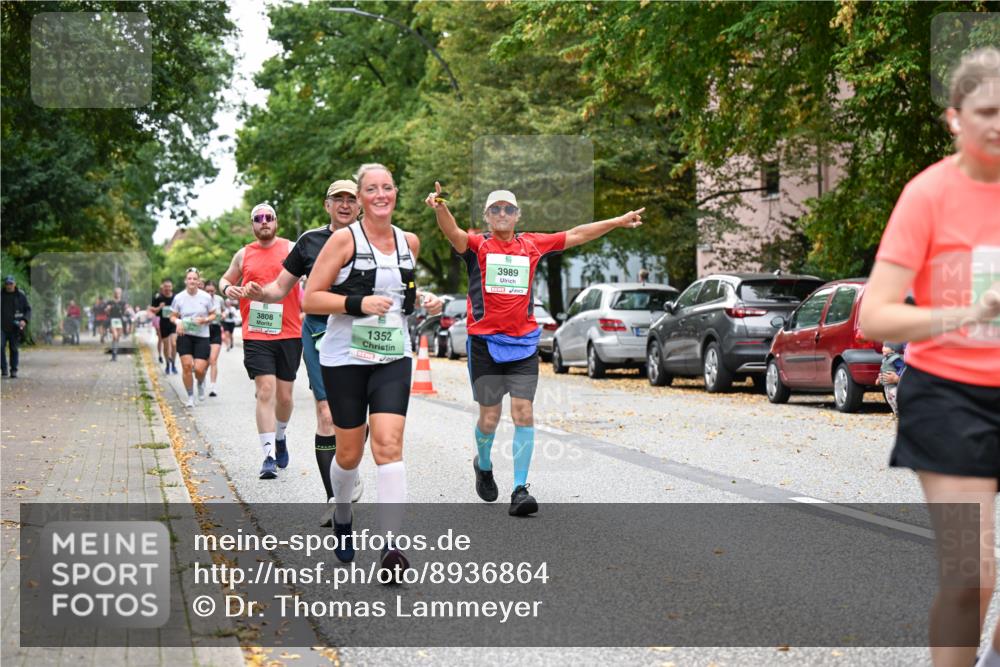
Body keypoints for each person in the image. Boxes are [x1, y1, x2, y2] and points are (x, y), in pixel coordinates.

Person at [858, 48, 1000, 667]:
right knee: (974, 574)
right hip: (949, 395)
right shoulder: (928, 196)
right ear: (954, 118)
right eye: (987, 111)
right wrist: (963, 316)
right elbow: (874, 315)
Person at [426, 181, 644, 516]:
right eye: (495, 209)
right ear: (486, 216)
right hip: (484, 343)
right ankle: (483, 464)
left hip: (524, 343)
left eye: (508, 209)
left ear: (517, 215)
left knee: (524, 413)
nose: (502, 213)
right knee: (489, 417)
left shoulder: (531, 245)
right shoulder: (476, 246)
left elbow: (577, 234)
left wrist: (616, 221)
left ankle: (520, 489)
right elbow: (452, 231)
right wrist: (441, 206)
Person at [304, 163, 439, 578]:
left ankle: (391, 547)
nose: (381, 195)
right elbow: (310, 299)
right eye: (372, 189)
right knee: (349, 452)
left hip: (391, 355)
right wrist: (356, 304)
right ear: (360, 198)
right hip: (344, 358)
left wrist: (425, 300)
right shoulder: (344, 241)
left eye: (388, 188)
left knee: (388, 444)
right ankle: (342, 513)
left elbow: (402, 297)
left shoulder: (409, 242)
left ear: (395, 194)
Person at [244, 179, 372, 512]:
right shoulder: (309, 242)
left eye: (350, 199)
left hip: (363, 334)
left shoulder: (375, 238)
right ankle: (334, 499)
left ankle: (348, 471)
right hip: (320, 333)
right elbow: (280, 288)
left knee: (357, 418)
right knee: (327, 414)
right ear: (326, 205)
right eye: (337, 199)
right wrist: (262, 293)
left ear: (359, 205)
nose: (344, 204)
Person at [220, 203, 303, 481]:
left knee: (285, 397)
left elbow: (312, 276)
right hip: (256, 332)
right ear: (252, 224)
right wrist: (227, 288)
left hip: (290, 331)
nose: (264, 222)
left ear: (276, 222)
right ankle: (267, 455)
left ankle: (280, 436)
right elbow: (225, 280)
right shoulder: (243, 254)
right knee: (265, 391)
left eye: (269, 218)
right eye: (259, 218)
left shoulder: (293, 248)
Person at [170, 268, 216, 408]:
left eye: (194, 279)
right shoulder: (179, 297)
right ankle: (190, 397)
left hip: (202, 336)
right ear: (186, 281)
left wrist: (206, 319)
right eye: (189, 278)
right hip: (185, 336)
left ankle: (201, 383)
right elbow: (172, 316)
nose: (192, 281)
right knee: (187, 366)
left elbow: (214, 314)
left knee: (200, 369)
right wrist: (178, 322)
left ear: (198, 281)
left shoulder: (206, 297)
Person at [1, 276, 31, 378]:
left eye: (11, 284)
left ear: (15, 284)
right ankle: (4, 369)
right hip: (2, 328)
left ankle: (13, 370)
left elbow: (28, 309)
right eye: (7, 284)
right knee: (0, 347)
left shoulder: (21, 295)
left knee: (14, 349)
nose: (9, 286)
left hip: (15, 327)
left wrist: (24, 320)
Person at [151, 279, 178, 374]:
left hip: (174, 323)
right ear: (163, 287)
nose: (167, 288)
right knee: (166, 346)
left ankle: (174, 364)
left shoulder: (176, 297)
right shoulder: (158, 297)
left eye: (169, 287)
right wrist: (159, 307)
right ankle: (167, 364)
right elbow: (152, 311)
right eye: (166, 287)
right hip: (163, 323)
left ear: (172, 287)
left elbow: (181, 310)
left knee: (174, 343)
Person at [203, 280, 225, 397]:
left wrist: (224, 314)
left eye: (212, 291)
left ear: (215, 291)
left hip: (216, 329)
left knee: (213, 360)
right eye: (207, 291)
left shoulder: (219, 300)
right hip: (204, 331)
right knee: (205, 362)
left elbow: (224, 310)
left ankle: (213, 387)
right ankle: (201, 381)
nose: (210, 293)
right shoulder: (200, 299)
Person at [105, 287, 127, 361]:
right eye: (116, 292)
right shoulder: (110, 302)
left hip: (120, 320)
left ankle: (114, 353)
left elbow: (125, 312)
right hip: (112, 319)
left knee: (117, 338)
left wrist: (127, 310)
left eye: (119, 293)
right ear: (114, 293)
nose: (117, 294)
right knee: (115, 335)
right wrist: (108, 309)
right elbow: (106, 311)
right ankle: (114, 354)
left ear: (121, 294)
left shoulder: (123, 302)